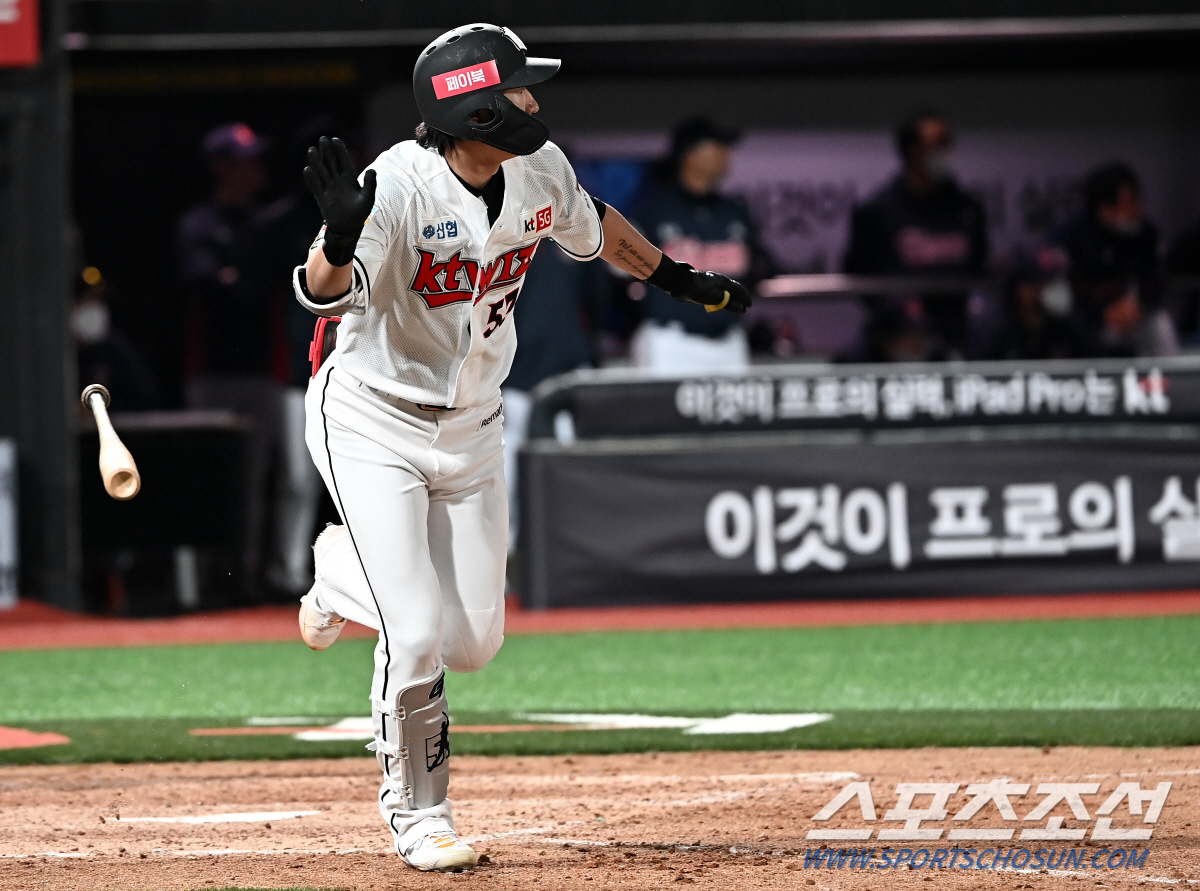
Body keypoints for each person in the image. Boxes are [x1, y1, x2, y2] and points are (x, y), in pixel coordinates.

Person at [290, 23, 750, 873]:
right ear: (476, 110)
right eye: (518, 88)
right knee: (416, 632)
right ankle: (420, 813)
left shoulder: (538, 168)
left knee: (472, 644)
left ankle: (340, 571)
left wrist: (677, 278)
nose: (533, 100)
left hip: (474, 422)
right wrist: (337, 237)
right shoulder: (396, 184)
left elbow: (593, 224)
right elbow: (322, 295)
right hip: (372, 420)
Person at [175, 122, 282, 596]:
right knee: (207, 478)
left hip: (260, 369)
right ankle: (200, 584)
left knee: (255, 480)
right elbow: (209, 286)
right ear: (220, 167)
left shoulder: (267, 224)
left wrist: (236, 277)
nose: (254, 169)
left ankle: (247, 581)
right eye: (243, 161)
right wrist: (236, 281)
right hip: (211, 371)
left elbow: (262, 286)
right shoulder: (199, 225)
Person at [843, 111, 988, 360]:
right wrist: (892, 320)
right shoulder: (877, 211)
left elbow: (979, 264)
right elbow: (858, 273)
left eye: (948, 143)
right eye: (938, 144)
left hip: (958, 334)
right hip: (897, 338)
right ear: (913, 151)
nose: (947, 152)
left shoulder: (967, 209)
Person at [629, 118, 770, 372]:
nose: (727, 155)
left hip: (728, 340)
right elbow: (619, 280)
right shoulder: (654, 213)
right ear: (691, 155)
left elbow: (761, 269)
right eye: (717, 147)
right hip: (670, 341)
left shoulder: (734, 213)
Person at [500, 240, 606, 553]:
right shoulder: (500, 232)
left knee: (574, 466)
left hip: (567, 368)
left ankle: (578, 550)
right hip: (513, 372)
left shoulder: (577, 233)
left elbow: (599, 300)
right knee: (504, 468)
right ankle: (504, 554)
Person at [1050, 162, 1176, 357]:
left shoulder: (1147, 234)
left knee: (1160, 323)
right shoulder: (1072, 237)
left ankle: (1171, 377)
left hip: (1135, 319)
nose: (1137, 210)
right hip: (1090, 325)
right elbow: (1059, 296)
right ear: (1105, 209)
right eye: (1130, 203)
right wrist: (1102, 314)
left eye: (1138, 201)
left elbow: (1157, 282)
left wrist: (1140, 306)